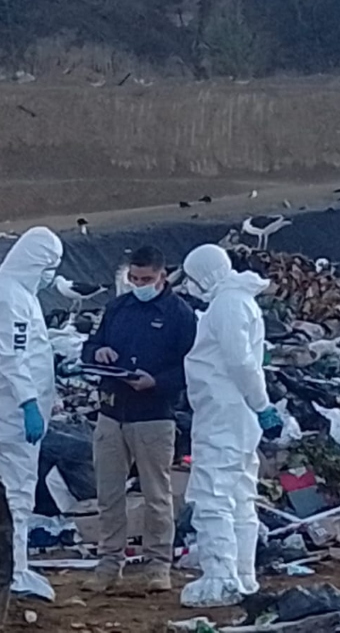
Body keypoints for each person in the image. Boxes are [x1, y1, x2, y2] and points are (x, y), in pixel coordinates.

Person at [80, 246, 197, 593]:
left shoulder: (179, 315)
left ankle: (158, 564)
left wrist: (157, 382)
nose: (139, 284)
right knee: (109, 492)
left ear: (162, 276)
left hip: (154, 415)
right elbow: (91, 345)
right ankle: (108, 563)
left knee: (156, 493)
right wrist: (98, 353)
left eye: (146, 279)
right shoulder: (118, 307)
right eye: (134, 278)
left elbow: (191, 367)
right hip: (112, 411)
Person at [180, 243, 278, 608]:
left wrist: (262, 404)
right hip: (236, 415)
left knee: (212, 494)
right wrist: (260, 408)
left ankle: (221, 578)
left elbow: (240, 363)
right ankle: (243, 575)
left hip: (224, 413)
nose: (188, 286)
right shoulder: (238, 301)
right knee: (239, 495)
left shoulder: (226, 305)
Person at [0, 226, 64, 601]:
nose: (51, 276)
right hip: (11, 408)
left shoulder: (14, 293)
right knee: (16, 489)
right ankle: (13, 570)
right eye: (50, 266)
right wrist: (28, 402)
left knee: (14, 484)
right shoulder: (11, 297)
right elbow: (14, 356)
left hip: (12, 405)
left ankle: (12, 565)